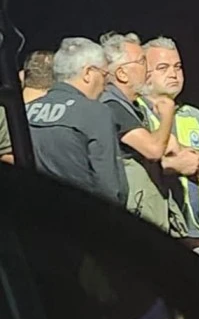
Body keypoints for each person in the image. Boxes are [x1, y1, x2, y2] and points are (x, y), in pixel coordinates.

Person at [139, 37, 199, 260]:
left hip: (196, 234)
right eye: (163, 67)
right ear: (144, 72)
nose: (174, 74)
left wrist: (191, 158)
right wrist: (169, 164)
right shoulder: (134, 113)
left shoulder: (192, 115)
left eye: (177, 67)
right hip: (153, 231)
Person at [99, 32, 188, 238]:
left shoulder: (129, 107)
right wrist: (167, 115)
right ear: (122, 74)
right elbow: (153, 149)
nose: (148, 70)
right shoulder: (112, 106)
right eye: (141, 62)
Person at [26, 37, 126, 206]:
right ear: (88, 73)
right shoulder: (95, 112)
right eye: (104, 75)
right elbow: (108, 184)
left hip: (32, 216)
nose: (105, 85)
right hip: (81, 219)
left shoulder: (27, 111)